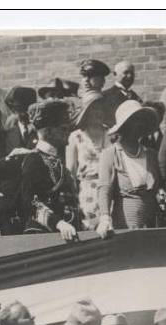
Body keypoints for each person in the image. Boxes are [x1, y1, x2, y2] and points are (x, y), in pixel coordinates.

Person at [96, 100, 162, 236]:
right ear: (124, 126)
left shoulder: (151, 154)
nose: (139, 124)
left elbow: (159, 185)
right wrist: (104, 217)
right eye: (134, 120)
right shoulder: (111, 154)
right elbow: (104, 189)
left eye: (141, 120)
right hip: (125, 224)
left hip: (152, 223)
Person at [19, 99, 80, 241]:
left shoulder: (58, 158)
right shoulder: (33, 159)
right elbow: (31, 203)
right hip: (43, 235)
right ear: (49, 132)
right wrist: (58, 223)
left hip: (66, 232)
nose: (68, 133)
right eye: (63, 129)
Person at [66, 92, 110, 231]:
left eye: (101, 108)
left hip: (107, 188)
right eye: (94, 109)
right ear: (86, 112)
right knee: (89, 229)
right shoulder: (76, 136)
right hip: (86, 191)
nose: (99, 112)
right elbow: (70, 171)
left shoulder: (110, 134)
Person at [3, 86, 39, 154]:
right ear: (14, 110)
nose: (24, 114)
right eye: (20, 109)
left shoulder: (41, 132)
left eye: (27, 109)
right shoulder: (8, 133)